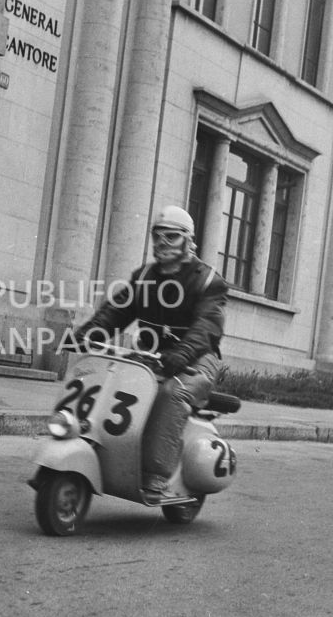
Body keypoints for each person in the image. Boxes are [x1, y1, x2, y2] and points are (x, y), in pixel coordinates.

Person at [72, 205, 228, 506]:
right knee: (110, 378)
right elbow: (117, 311)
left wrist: (183, 353)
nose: (162, 243)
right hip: (152, 355)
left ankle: (156, 474)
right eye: (157, 236)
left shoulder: (209, 280)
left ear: (188, 239)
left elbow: (207, 326)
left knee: (172, 392)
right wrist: (87, 334)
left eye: (171, 236)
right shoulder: (144, 276)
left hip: (198, 359)